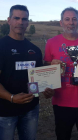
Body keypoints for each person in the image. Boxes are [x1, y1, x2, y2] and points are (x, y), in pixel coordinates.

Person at [44, 7, 78, 140]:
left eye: (74, 19)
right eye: (67, 19)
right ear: (61, 22)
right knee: (62, 136)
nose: (71, 22)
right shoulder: (51, 43)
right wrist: (51, 66)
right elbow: (46, 68)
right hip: (61, 101)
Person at [0, 5, 43, 140]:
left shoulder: (35, 50)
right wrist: (11, 97)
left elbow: (38, 78)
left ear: (28, 22)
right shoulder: (1, 46)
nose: (20, 22)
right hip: (5, 111)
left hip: (31, 109)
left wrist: (47, 88)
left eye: (24, 19)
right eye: (16, 18)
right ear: (9, 20)